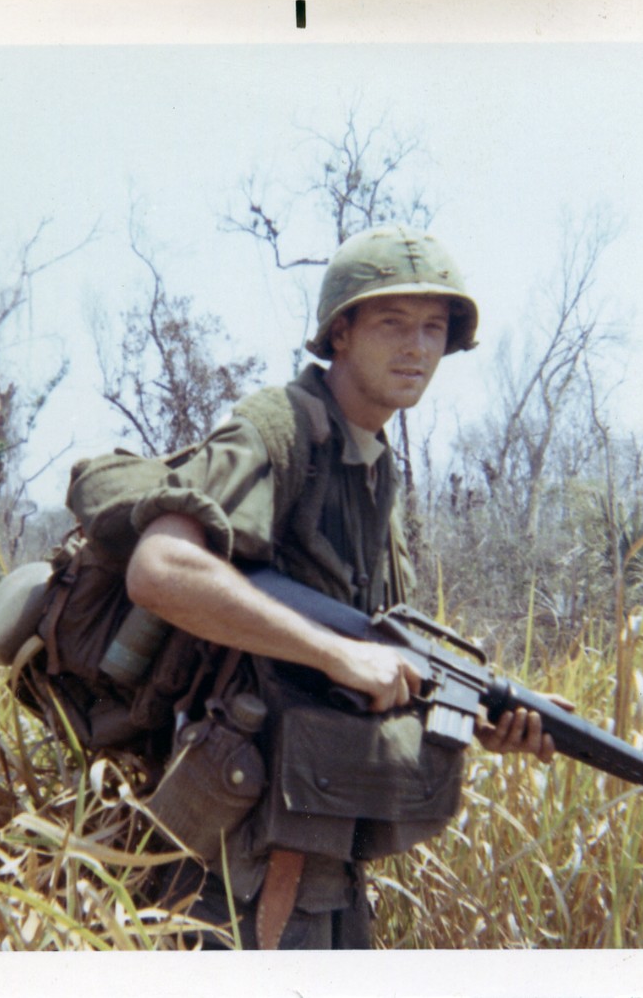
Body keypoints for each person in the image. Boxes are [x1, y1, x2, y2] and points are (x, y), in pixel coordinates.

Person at [123, 223, 565, 950]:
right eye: (393, 323)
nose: (417, 347)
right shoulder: (277, 429)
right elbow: (159, 569)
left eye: (433, 328)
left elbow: (371, 660)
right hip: (229, 862)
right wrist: (336, 653)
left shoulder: (377, 472)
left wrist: (472, 715)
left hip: (325, 857)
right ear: (341, 331)